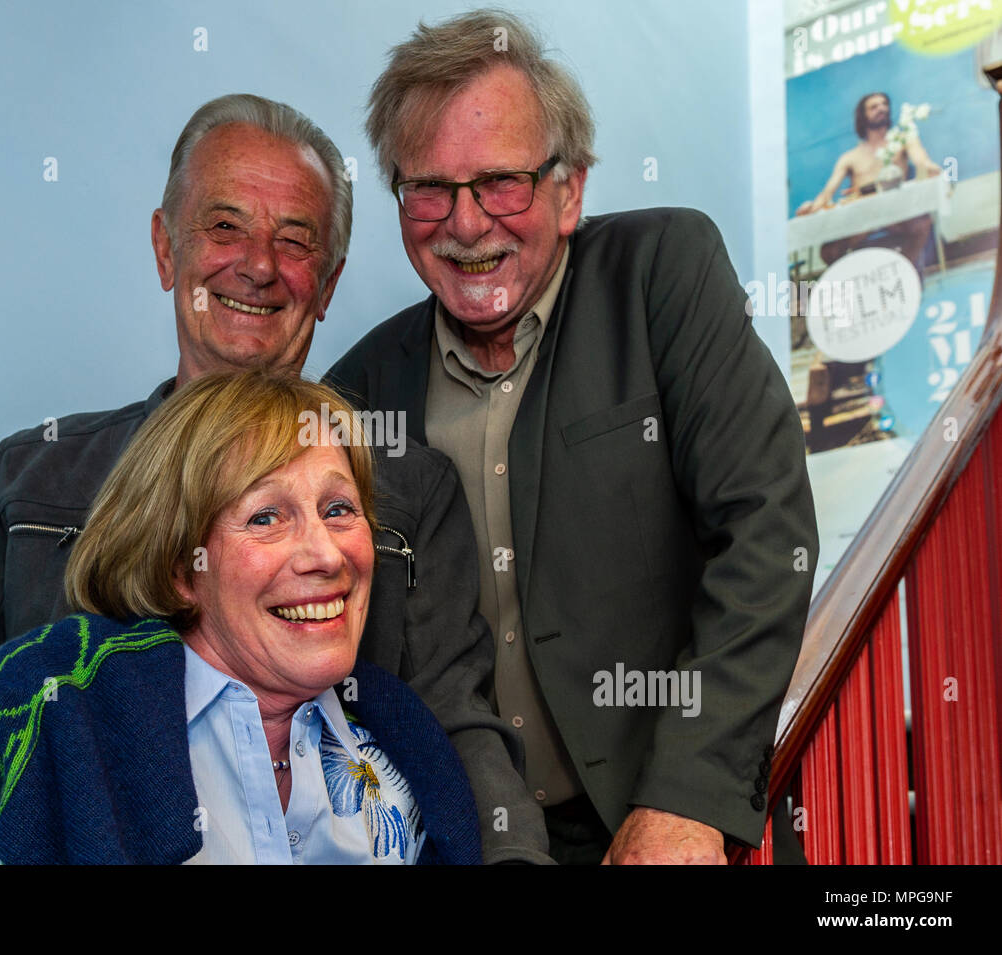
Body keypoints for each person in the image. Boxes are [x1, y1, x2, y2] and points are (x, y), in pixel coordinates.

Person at [0, 93, 550, 863]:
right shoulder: (30, 473)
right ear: (167, 249)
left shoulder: (410, 487)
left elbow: (460, 729)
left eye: (296, 242)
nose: (259, 265)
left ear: (327, 285)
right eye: (225, 227)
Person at [326, 9, 818, 864]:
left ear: (570, 189)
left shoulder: (664, 272)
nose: (467, 224)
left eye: (503, 183)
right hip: (472, 837)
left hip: (672, 816)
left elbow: (767, 534)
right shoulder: (357, 392)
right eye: (429, 190)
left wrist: (686, 797)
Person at [0, 372, 481, 864]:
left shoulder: (405, 742)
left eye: (339, 509)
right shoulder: (52, 715)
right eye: (266, 517)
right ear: (180, 569)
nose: (326, 555)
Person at [795, 91, 942, 265]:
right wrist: (812, 207)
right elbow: (827, 193)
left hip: (895, 213)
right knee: (828, 252)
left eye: (884, 104)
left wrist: (931, 168)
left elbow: (921, 160)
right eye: (874, 107)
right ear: (863, 117)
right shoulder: (849, 157)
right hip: (861, 220)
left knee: (923, 224)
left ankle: (903, 270)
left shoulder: (904, 139)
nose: (881, 108)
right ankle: (860, 279)